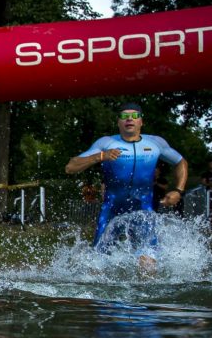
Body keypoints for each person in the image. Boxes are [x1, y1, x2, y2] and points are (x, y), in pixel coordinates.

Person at [64, 102, 187, 265]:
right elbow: (70, 167)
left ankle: (146, 290)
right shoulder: (106, 143)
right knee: (97, 263)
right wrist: (100, 156)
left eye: (135, 116)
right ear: (118, 122)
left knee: (148, 261)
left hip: (143, 210)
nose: (129, 119)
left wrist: (178, 190)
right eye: (124, 116)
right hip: (111, 210)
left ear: (141, 122)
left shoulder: (155, 143)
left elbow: (180, 162)